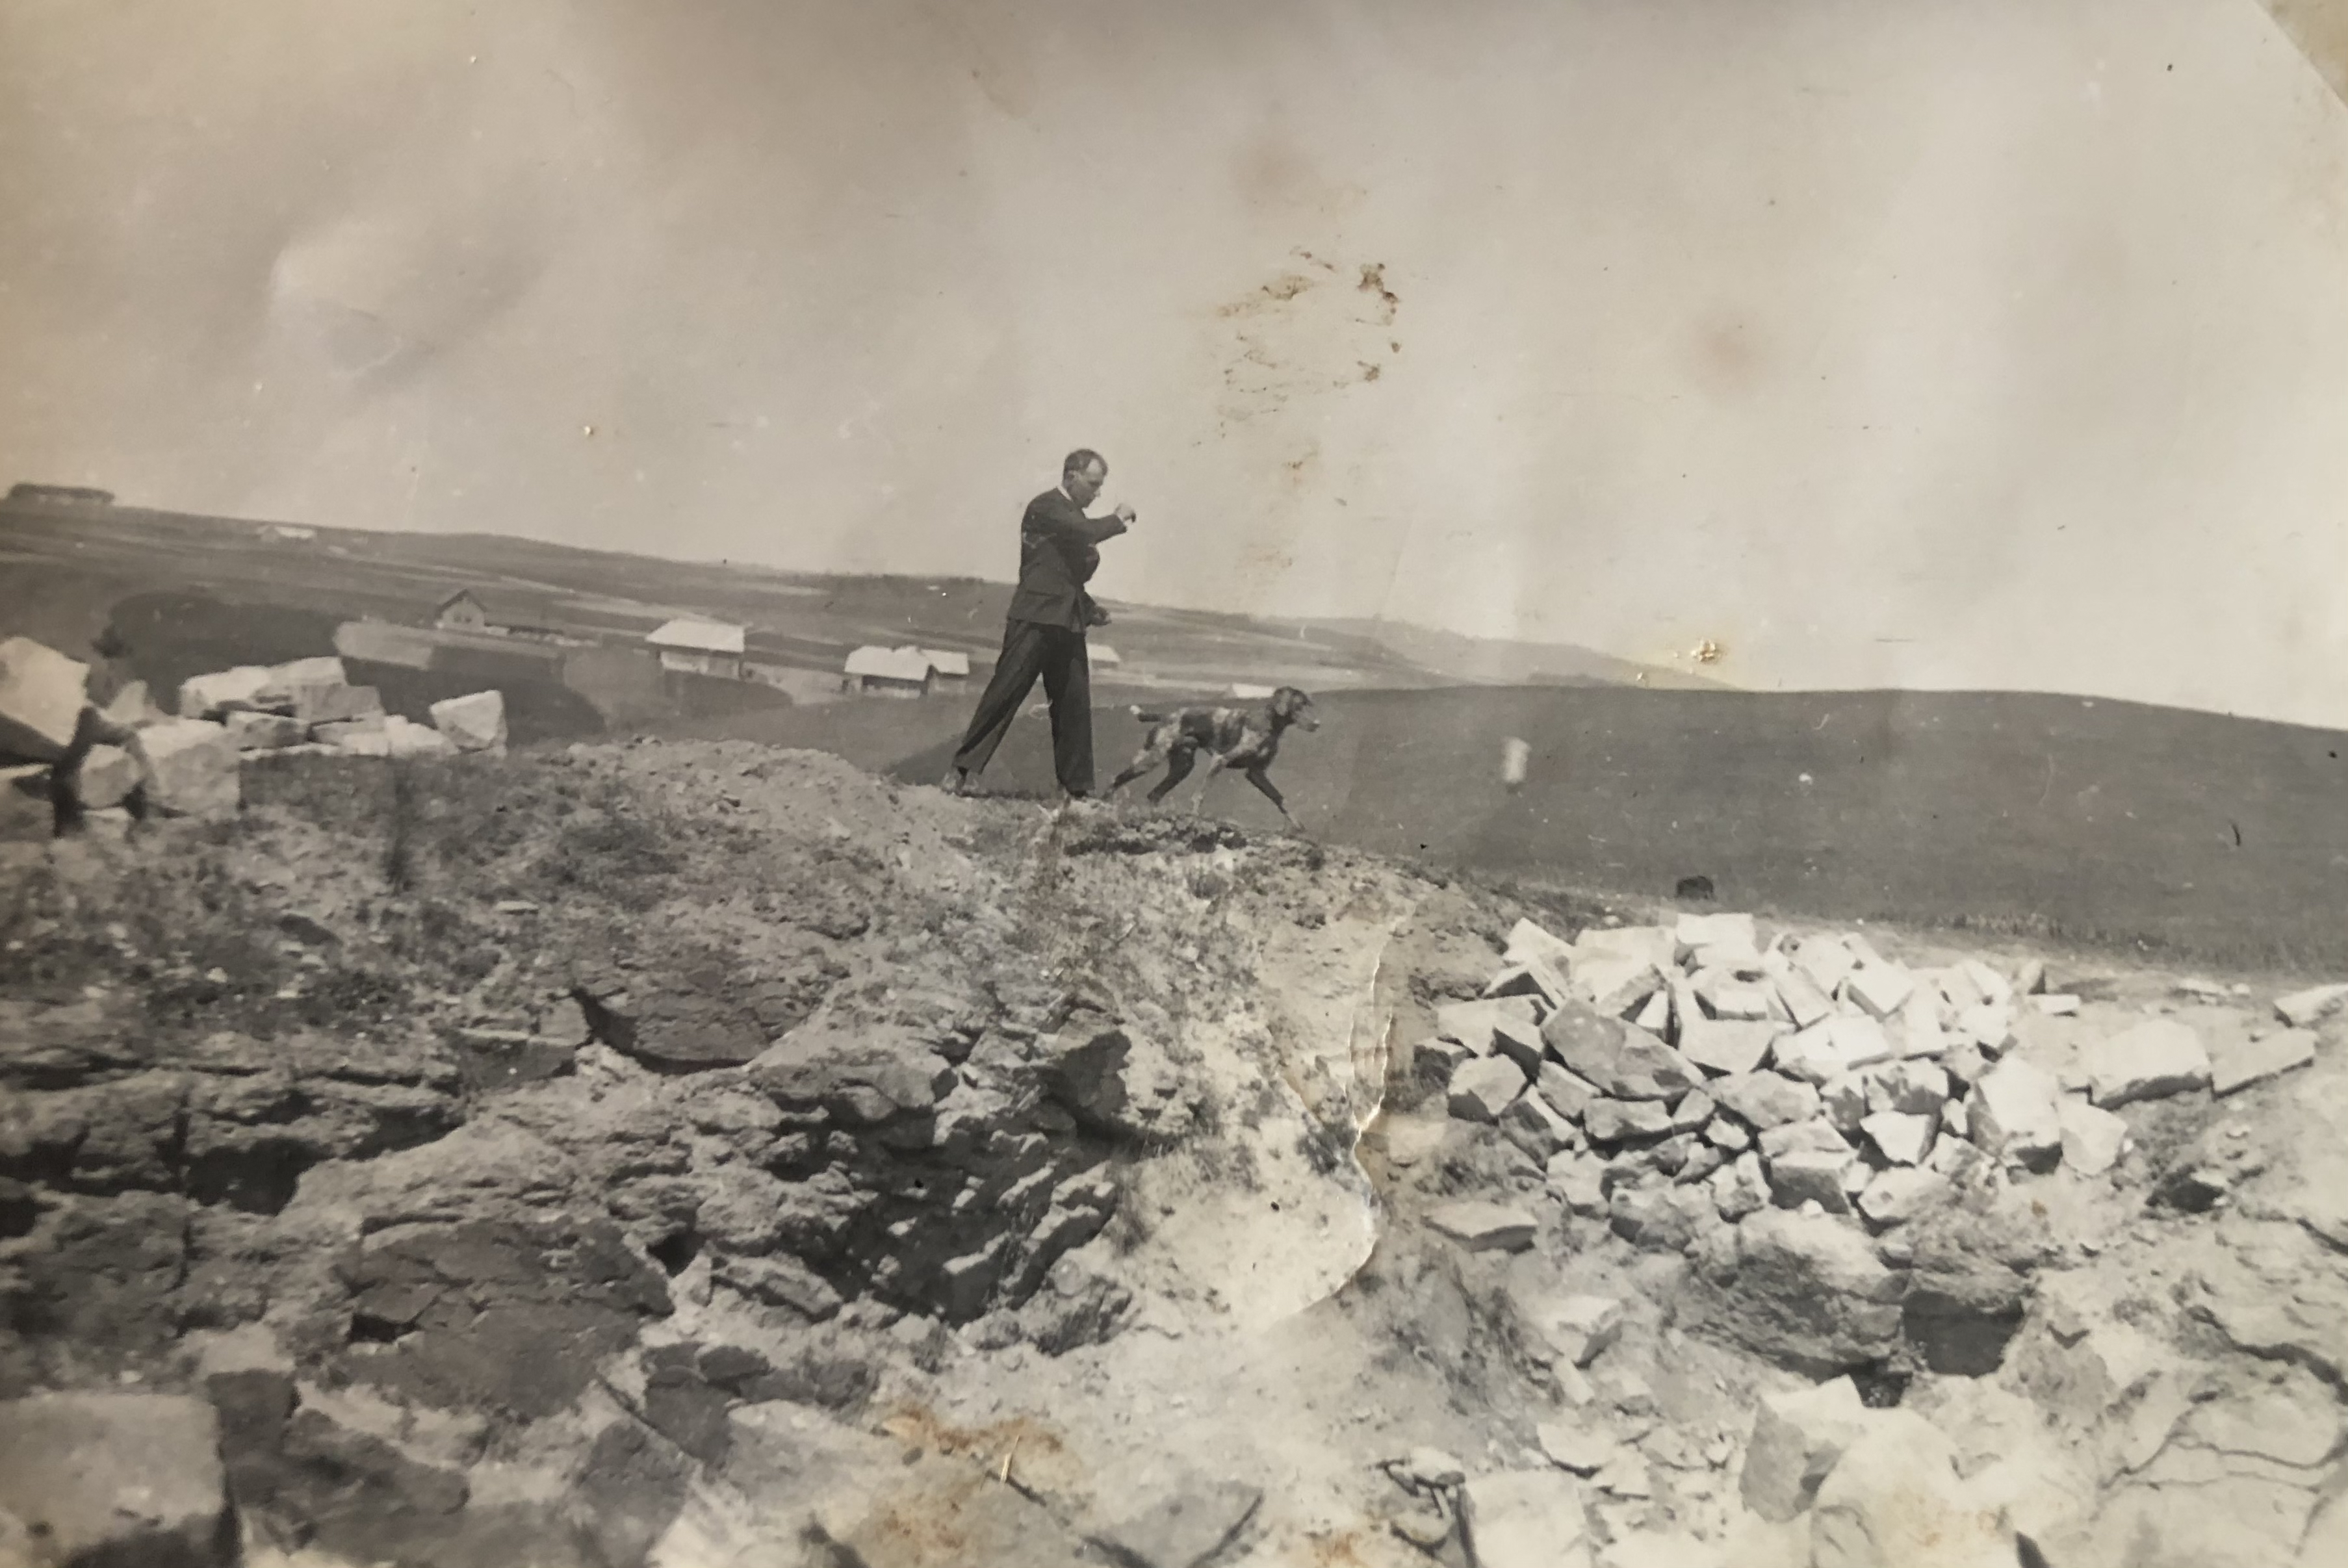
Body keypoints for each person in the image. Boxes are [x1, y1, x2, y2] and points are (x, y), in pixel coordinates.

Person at [942, 449, 1134, 802]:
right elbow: (1085, 533)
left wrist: (1089, 608)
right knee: (1005, 693)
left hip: (1067, 621)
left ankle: (1076, 790)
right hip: (1034, 618)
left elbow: (1063, 574)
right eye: (1093, 484)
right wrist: (1118, 519)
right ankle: (960, 772)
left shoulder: (1070, 516)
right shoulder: (1046, 507)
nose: (1097, 493)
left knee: (1074, 703)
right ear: (1071, 476)